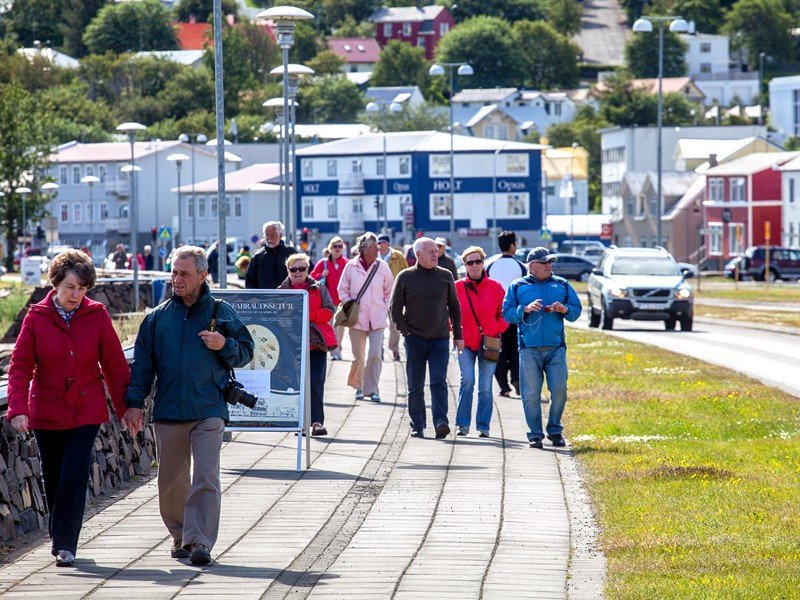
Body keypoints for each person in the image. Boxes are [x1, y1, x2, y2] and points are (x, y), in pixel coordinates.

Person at [7, 249, 139, 567]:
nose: (76, 294)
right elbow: (20, 366)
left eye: (82, 288)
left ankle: (66, 544)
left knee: (74, 475)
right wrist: (18, 408)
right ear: (55, 284)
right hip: (46, 411)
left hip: (85, 409)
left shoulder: (97, 315)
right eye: (70, 287)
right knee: (53, 476)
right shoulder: (36, 318)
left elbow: (115, 366)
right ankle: (59, 536)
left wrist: (126, 408)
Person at [125, 246, 254, 566]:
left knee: (206, 477)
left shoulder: (221, 312)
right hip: (169, 410)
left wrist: (224, 344)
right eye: (174, 272)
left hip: (209, 409)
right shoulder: (156, 318)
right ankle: (180, 535)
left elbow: (246, 352)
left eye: (184, 273)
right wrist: (135, 404)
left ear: (202, 275)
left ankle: (200, 541)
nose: (176, 279)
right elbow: (142, 367)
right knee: (171, 481)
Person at [501, 247, 582, 449]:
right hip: (528, 349)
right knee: (530, 395)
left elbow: (576, 311)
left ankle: (554, 430)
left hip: (556, 348)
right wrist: (525, 309)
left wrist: (565, 309)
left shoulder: (561, 284)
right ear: (532, 266)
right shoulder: (518, 286)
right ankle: (535, 434)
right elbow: (506, 313)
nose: (548, 266)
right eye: (544, 263)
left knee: (560, 390)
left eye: (550, 262)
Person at [391, 237, 463, 438]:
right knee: (415, 384)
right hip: (415, 339)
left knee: (439, 381)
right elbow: (394, 309)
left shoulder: (445, 275)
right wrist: (406, 331)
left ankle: (441, 421)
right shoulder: (405, 277)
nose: (435, 254)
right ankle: (418, 424)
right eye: (430, 251)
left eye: (436, 251)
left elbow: (454, 306)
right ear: (418, 255)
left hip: (440, 338)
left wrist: (458, 335)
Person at [279, 253, 337, 435]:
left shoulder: (319, 288)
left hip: (315, 343)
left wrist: (308, 315)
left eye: (302, 268)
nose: (298, 272)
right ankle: (301, 423)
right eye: (293, 269)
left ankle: (317, 422)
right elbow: (277, 316)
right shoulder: (281, 291)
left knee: (316, 382)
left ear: (308, 269)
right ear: (288, 270)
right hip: (292, 345)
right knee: (297, 384)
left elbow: (329, 311)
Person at [455, 246, 508, 438]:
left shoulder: (496, 287)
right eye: (470, 262)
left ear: (483, 262)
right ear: (465, 265)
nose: (475, 265)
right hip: (465, 343)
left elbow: (504, 314)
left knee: (485, 387)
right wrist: (454, 332)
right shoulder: (456, 287)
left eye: (478, 261)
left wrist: (496, 329)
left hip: (489, 343)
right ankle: (462, 424)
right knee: (467, 380)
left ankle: (483, 426)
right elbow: (447, 313)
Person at [338, 232, 394, 403]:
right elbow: (342, 289)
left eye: (377, 247)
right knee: (359, 357)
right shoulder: (351, 266)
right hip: (357, 318)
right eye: (374, 247)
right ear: (364, 249)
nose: (377, 250)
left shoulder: (382, 266)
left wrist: (384, 307)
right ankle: (359, 387)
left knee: (375, 355)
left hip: (377, 318)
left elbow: (389, 290)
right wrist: (350, 303)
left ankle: (373, 390)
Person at [485, 231, 527, 398]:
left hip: (496, 315)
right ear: (512, 246)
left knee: (499, 350)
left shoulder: (490, 266)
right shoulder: (520, 267)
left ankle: (503, 386)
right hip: (515, 314)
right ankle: (516, 378)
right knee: (516, 349)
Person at [310, 236, 348, 361]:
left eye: (340, 246)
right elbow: (311, 277)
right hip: (327, 302)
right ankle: (335, 353)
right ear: (330, 248)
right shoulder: (323, 263)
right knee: (332, 327)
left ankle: (338, 347)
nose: (337, 249)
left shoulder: (347, 263)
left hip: (343, 301)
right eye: (335, 246)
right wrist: (321, 274)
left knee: (341, 328)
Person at [377, 234, 408, 361]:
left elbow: (405, 272)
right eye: (379, 243)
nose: (380, 245)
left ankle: (394, 349)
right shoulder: (374, 256)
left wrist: (404, 291)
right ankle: (379, 351)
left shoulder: (398, 256)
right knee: (378, 325)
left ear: (388, 244)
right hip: (377, 296)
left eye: (383, 242)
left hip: (394, 295)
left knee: (394, 324)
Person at [245, 221, 296, 289]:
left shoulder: (291, 253)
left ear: (280, 235)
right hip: (264, 295)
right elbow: (250, 281)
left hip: (288, 294)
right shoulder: (258, 256)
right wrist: (256, 295)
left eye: (272, 235)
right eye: (267, 235)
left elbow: (303, 273)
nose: (269, 238)